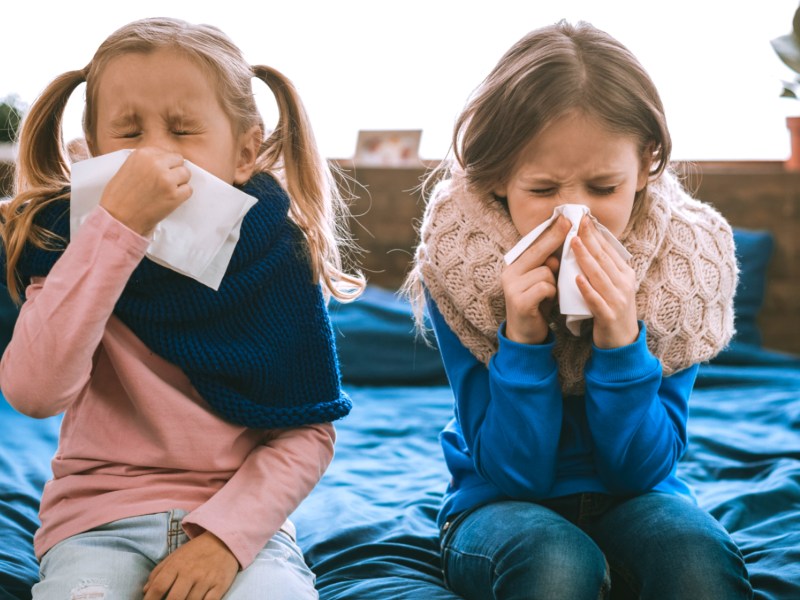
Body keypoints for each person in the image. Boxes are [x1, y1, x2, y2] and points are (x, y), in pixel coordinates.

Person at [0, 17, 363, 600]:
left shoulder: (278, 262)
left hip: (244, 535)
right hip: (96, 527)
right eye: (128, 132)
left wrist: (225, 540)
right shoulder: (66, 249)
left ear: (245, 152)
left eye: (183, 130)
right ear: (92, 150)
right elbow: (33, 392)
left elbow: (306, 433)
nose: (154, 156)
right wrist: (113, 231)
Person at [405, 20, 753, 600]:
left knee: (697, 564)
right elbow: (517, 474)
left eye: (602, 187)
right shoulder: (460, 263)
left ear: (647, 163)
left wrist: (621, 341)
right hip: (499, 505)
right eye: (542, 190)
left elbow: (642, 471)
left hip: (640, 498)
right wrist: (521, 338)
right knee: (557, 566)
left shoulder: (685, 269)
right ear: (497, 179)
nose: (573, 214)